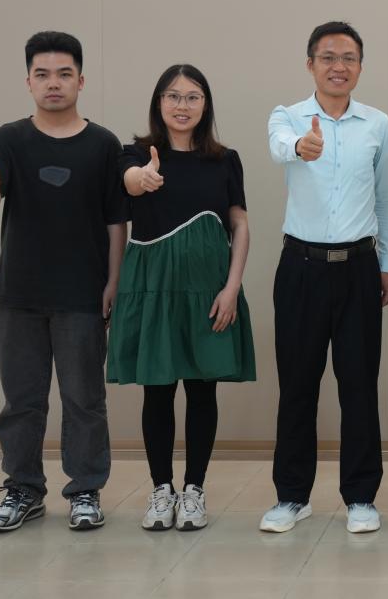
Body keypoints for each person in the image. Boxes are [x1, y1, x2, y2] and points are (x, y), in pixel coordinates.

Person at [0, 31, 126, 532]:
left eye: (63, 74)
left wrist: (113, 281)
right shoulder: (8, 139)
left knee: (85, 401)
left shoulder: (103, 144)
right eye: (42, 74)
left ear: (81, 80)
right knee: (21, 402)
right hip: (17, 295)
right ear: (28, 82)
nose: (53, 83)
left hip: (82, 296)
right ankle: (23, 490)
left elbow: (116, 222)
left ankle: (85, 491)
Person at [261, 21, 388, 535]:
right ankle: (291, 496)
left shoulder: (377, 123)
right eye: (328, 57)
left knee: (359, 386)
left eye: (348, 58)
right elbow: (280, 146)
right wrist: (302, 147)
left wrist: (387, 263)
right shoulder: (288, 116)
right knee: (297, 385)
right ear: (310, 64)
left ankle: (361, 497)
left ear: (360, 67)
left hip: (360, 268)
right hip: (300, 268)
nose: (338, 67)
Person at [108, 64, 255, 532]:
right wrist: (143, 177)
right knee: (157, 389)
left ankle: (194, 490)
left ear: (205, 105)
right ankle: (161, 490)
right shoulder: (135, 153)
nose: (182, 105)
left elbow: (240, 224)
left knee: (202, 388)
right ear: (159, 103)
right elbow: (130, 181)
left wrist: (232, 287)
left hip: (208, 288)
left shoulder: (225, 159)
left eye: (193, 97)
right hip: (153, 287)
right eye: (173, 96)